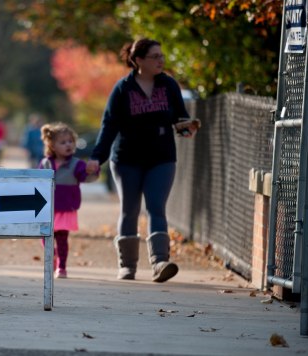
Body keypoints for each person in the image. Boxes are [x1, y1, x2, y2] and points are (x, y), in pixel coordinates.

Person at [85, 38, 200, 283]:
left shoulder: (168, 85)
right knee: (130, 210)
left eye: (162, 56)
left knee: (156, 207)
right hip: (127, 159)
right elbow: (109, 126)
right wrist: (97, 158)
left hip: (161, 158)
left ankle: (160, 262)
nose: (161, 60)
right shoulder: (123, 89)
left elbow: (180, 117)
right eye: (155, 56)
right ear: (138, 60)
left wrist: (186, 127)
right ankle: (127, 266)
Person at [39, 122, 99, 278]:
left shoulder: (77, 164)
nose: (68, 145)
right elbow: (38, 182)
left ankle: (62, 266)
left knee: (62, 238)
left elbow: (86, 177)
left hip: (66, 208)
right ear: (52, 145)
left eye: (71, 141)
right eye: (63, 142)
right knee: (45, 236)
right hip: (46, 208)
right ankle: (51, 256)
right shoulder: (46, 163)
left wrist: (93, 171)